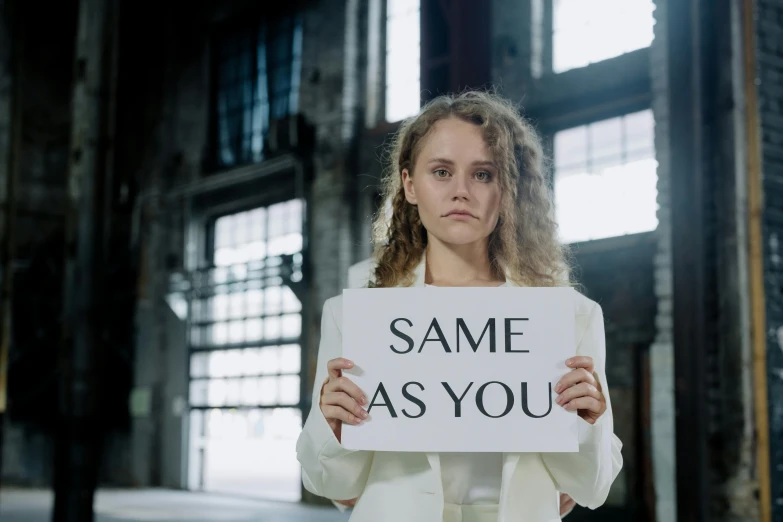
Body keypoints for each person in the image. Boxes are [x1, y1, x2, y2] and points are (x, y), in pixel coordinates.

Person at [296, 90, 623, 522]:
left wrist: (589, 423)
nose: (461, 192)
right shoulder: (359, 317)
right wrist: (330, 425)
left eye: (484, 175)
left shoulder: (568, 317)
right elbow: (333, 485)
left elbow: (591, 487)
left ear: (507, 189)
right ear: (410, 185)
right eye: (442, 172)